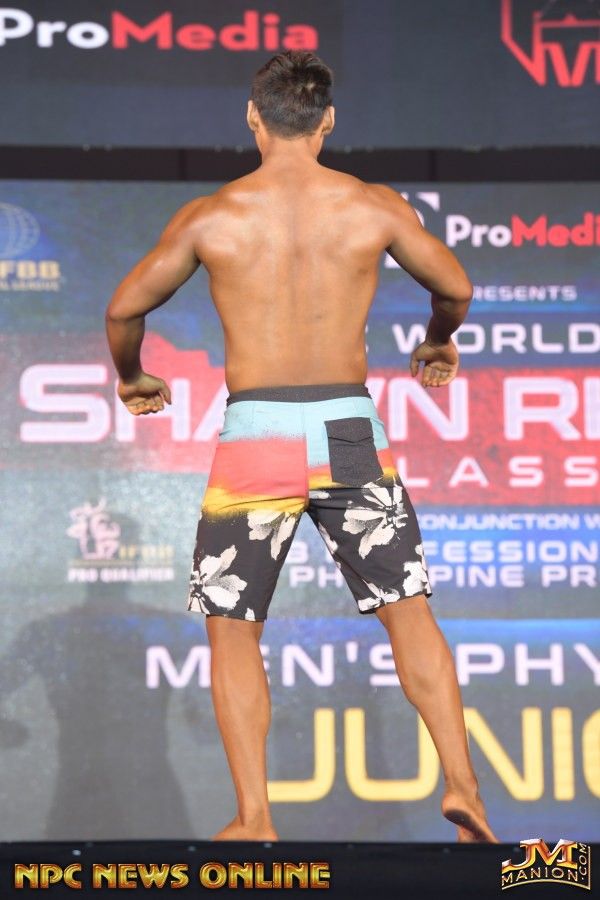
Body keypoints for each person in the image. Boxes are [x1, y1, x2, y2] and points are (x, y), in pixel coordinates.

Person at [105, 49, 498, 845]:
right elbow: (455, 286)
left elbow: (122, 310)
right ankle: (465, 790)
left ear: (253, 118)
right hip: (346, 430)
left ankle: (255, 817)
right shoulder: (373, 206)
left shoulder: (213, 215)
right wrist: (437, 341)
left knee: (233, 626)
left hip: (259, 435)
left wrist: (133, 376)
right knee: (408, 612)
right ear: (328, 123)